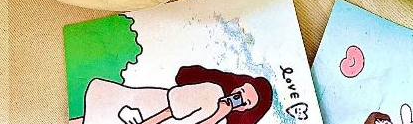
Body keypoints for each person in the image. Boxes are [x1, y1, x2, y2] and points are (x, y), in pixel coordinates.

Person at [79, 65, 273, 124]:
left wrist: (219, 115)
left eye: (246, 102)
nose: (239, 100)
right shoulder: (211, 91)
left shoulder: (223, 120)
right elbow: (168, 112)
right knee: (100, 113)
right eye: (240, 92)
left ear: (247, 110)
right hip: (149, 108)